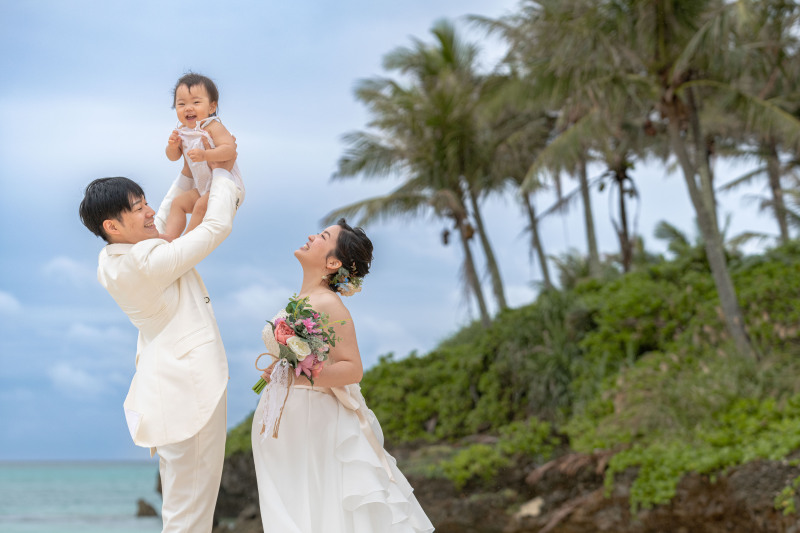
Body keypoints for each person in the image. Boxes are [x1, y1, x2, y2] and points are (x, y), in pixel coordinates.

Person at [78, 146, 243, 533]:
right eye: (137, 209)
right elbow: (216, 227)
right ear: (112, 226)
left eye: (144, 203)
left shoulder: (116, 258)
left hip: (173, 392)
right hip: (190, 393)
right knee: (189, 514)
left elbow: (166, 212)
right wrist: (222, 172)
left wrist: (190, 166)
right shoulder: (144, 262)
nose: (149, 212)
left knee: (183, 510)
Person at [251, 219, 434, 533]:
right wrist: (283, 369)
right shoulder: (303, 300)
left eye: (322, 236)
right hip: (288, 420)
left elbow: (352, 368)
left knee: (315, 511)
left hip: (312, 420)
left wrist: (301, 372)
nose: (311, 235)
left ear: (332, 262)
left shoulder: (328, 303)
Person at [162, 72, 244, 241]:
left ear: (212, 107)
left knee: (200, 206)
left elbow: (230, 150)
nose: (188, 108)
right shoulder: (182, 132)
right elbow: (173, 157)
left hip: (227, 187)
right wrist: (172, 146)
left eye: (196, 102)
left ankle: (185, 242)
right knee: (177, 203)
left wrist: (205, 154)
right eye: (181, 103)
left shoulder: (213, 127)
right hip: (204, 188)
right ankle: (168, 238)